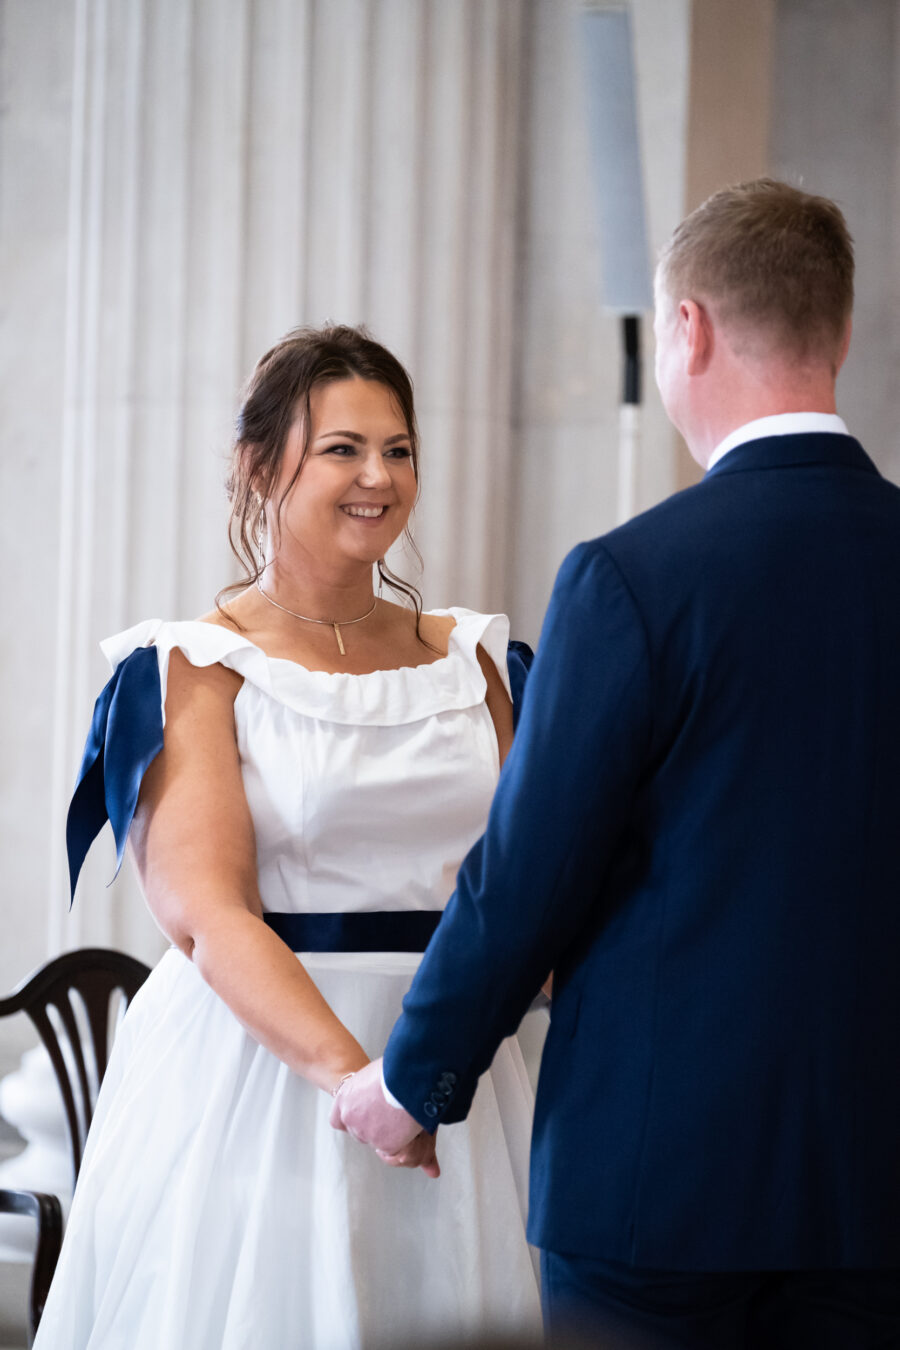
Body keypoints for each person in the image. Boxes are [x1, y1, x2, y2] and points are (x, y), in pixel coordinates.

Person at [332, 180, 900, 1349]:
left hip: (661, 1187)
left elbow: (530, 873)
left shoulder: (633, 578)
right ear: (841, 331)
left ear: (685, 329)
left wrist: (413, 1084)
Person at [36, 325, 542, 1348]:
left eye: (398, 450)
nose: (379, 478)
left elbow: (532, 872)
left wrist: (437, 1071)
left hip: (461, 1068)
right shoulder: (194, 666)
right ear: (260, 466)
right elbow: (206, 913)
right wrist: (361, 1084)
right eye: (342, 449)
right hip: (262, 1078)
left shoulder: (476, 661)